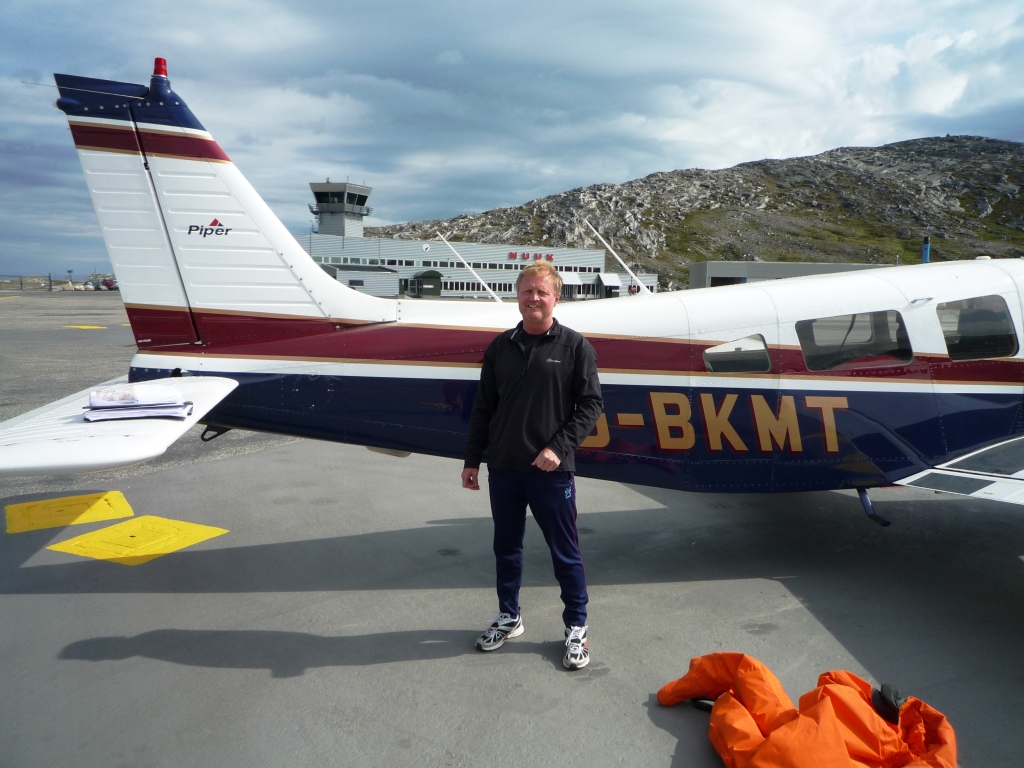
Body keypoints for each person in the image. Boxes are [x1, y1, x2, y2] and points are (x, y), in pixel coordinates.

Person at [461, 260, 603, 670]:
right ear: (518, 297)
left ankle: (576, 627)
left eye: (542, 291)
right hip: (504, 467)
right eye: (527, 291)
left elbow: (592, 404)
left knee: (565, 552)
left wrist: (558, 448)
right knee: (506, 548)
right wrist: (473, 459)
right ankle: (509, 616)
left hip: (550, 471)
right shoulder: (500, 347)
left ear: (556, 297)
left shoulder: (575, 347)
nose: (534, 298)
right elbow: (483, 407)